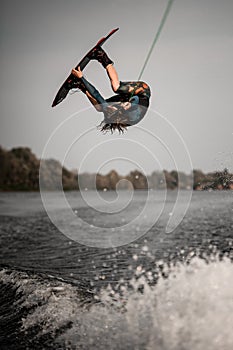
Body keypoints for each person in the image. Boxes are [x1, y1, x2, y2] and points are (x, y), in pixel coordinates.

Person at [71, 46, 151, 133]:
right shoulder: (133, 115)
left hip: (125, 101)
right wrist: (130, 104)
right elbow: (136, 99)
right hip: (141, 91)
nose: (111, 106)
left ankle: (80, 85)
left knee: (99, 107)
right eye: (112, 107)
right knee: (116, 87)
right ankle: (101, 55)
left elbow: (96, 94)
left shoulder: (110, 109)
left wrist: (81, 78)